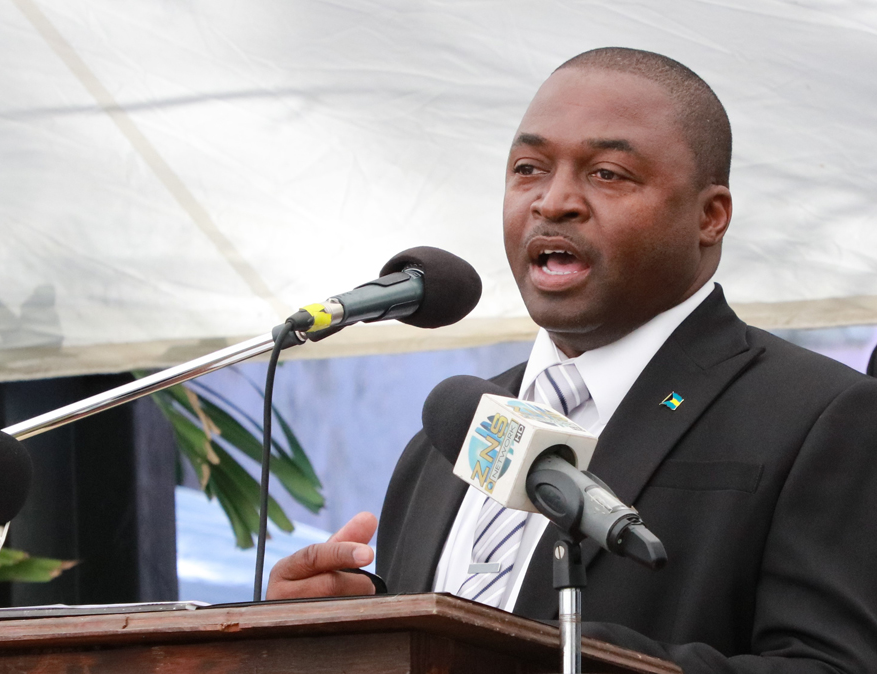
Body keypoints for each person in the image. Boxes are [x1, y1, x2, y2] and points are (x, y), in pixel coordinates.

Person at [267, 48, 877, 672]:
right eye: (528, 168)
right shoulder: (449, 432)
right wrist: (342, 625)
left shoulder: (823, 417)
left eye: (608, 173)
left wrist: (572, 656)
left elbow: (835, 665)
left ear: (709, 216)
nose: (553, 202)